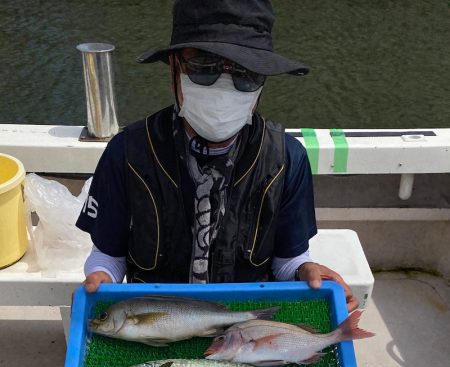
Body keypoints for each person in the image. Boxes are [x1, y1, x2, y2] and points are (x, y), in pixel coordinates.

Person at [76, 0, 357, 311]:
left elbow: (288, 260)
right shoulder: (127, 152)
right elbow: (108, 255)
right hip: (156, 315)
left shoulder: (286, 160)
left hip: (247, 316)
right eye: (204, 67)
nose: (225, 87)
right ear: (174, 68)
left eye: (246, 74)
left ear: (261, 83)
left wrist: (305, 270)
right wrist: (101, 276)